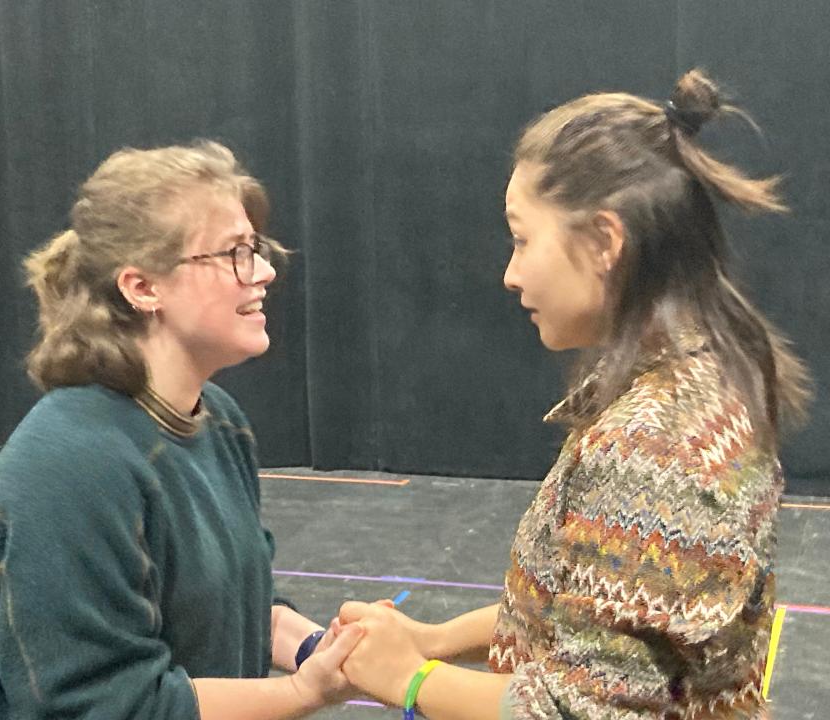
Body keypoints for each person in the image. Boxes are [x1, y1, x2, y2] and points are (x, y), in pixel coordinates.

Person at [336, 69, 810, 719]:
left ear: (604, 243)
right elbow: (593, 612)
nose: (510, 273)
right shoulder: (707, 379)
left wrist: (409, 679)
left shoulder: (653, 446)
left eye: (523, 238)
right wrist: (435, 640)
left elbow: (582, 710)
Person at [0, 141, 362, 719]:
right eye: (235, 253)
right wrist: (302, 693)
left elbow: (237, 608)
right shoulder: (69, 464)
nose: (264, 271)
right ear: (142, 288)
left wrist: (326, 651)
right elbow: (114, 704)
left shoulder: (220, 423)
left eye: (257, 248)